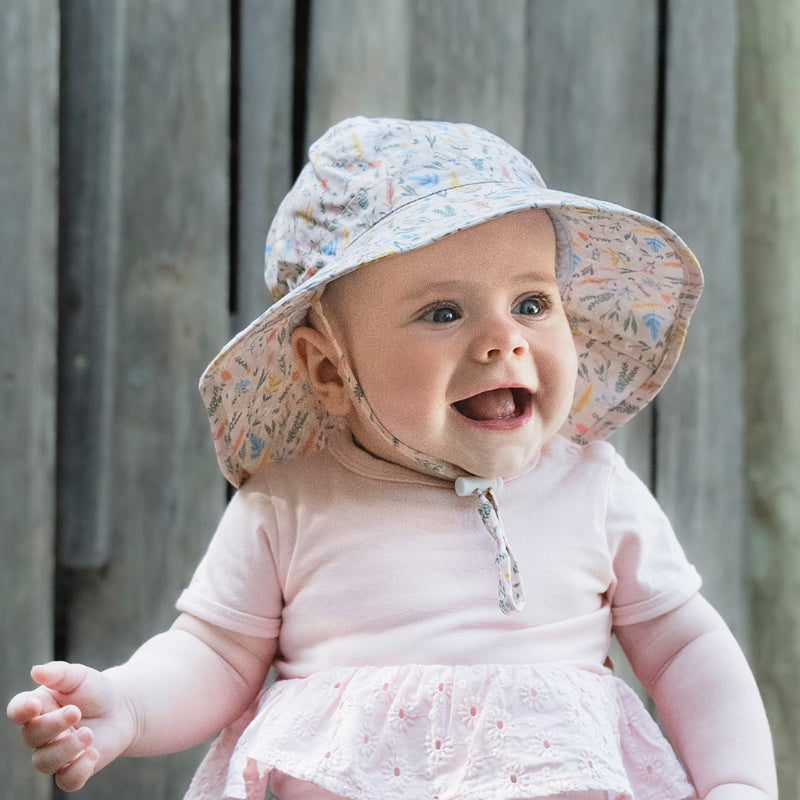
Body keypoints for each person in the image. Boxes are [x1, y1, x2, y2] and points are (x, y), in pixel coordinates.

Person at [7, 117, 776, 800]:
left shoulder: (591, 486)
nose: (504, 338)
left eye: (533, 303)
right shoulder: (293, 502)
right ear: (328, 370)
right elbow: (211, 654)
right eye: (443, 311)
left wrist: (736, 781)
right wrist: (130, 706)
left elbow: (684, 651)